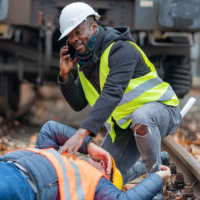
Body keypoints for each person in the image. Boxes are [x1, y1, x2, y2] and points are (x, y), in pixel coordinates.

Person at [0, 92, 170, 200]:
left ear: (108, 179)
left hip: (20, 187)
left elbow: (127, 198)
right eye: (104, 160)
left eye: (107, 167)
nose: (104, 162)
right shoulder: (60, 153)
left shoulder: (96, 188)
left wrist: (159, 176)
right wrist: (89, 147)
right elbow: (50, 128)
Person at [57, 2, 182, 199]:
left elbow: (112, 93)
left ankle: (157, 183)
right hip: (125, 128)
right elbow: (78, 103)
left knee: (141, 116)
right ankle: (146, 165)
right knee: (101, 178)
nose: (74, 39)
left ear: (94, 27)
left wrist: (82, 134)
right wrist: (65, 77)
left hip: (162, 113)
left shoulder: (122, 50)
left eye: (78, 32)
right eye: (70, 36)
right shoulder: (85, 63)